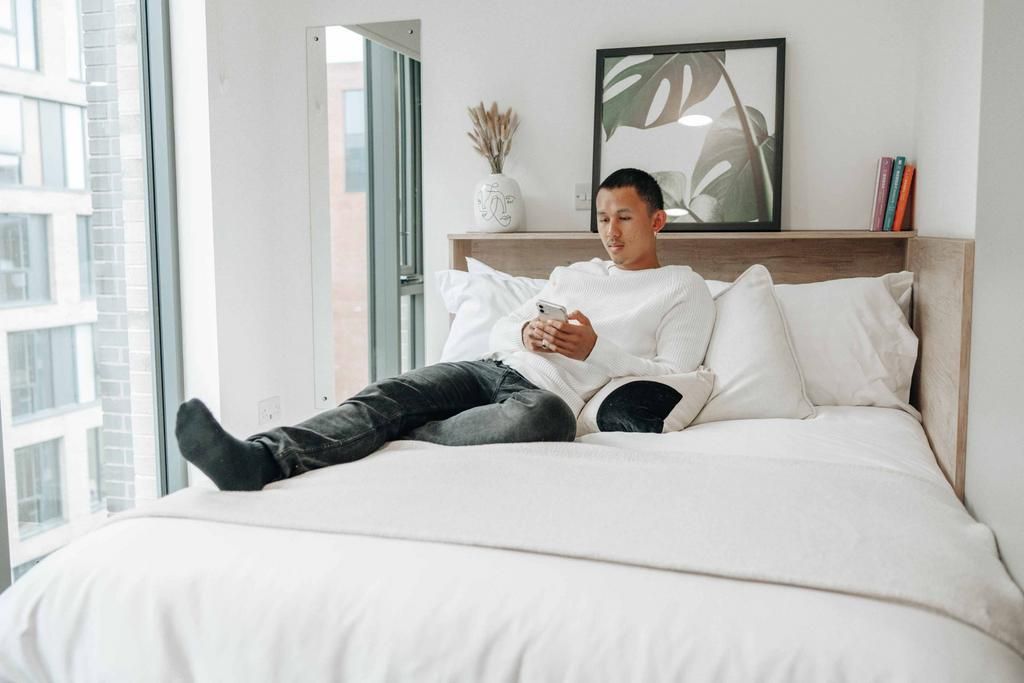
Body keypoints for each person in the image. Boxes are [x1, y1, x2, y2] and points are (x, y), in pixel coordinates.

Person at [176, 168, 716, 490]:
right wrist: (526, 334)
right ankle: (259, 459)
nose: (610, 232)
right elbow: (505, 327)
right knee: (388, 393)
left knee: (547, 419)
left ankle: (402, 435)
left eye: (624, 217)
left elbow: (672, 374)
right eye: (602, 218)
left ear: (656, 220)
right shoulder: (574, 274)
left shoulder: (683, 287)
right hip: (491, 369)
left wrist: (596, 349)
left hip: (545, 398)